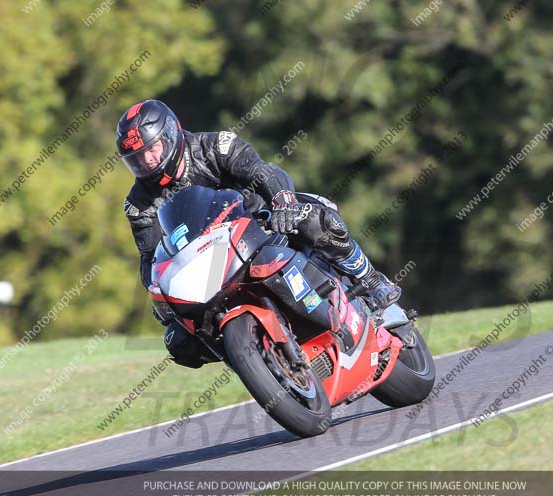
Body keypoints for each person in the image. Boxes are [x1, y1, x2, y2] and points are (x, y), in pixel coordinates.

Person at [117, 99, 400, 368]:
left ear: (171, 134)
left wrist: (283, 203)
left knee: (318, 222)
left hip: (261, 225)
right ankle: (259, 362)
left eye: (151, 149)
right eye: (137, 158)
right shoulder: (138, 204)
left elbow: (261, 172)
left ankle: (372, 281)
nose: (148, 161)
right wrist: (158, 293)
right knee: (179, 341)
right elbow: (150, 256)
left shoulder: (215, 145)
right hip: (207, 265)